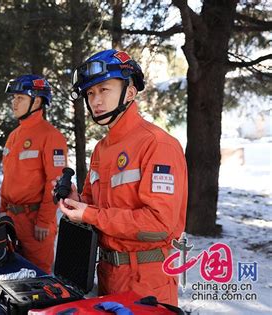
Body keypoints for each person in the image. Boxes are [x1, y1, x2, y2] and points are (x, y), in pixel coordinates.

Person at [59, 49, 188, 306]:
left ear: (129, 92)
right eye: (90, 93)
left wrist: (89, 214)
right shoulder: (102, 149)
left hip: (146, 282)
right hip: (107, 275)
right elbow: (98, 208)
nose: (95, 100)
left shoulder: (157, 144)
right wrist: (78, 201)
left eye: (104, 90)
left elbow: (159, 225)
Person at [0, 75, 68, 274]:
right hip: (12, 220)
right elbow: (8, 177)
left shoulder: (51, 137)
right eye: (13, 98)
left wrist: (44, 220)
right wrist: (3, 210)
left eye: (20, 98)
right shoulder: (14, 136)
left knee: (38, 280)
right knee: (12, 276)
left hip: (35, 223)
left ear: (36, 101)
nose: (14, 102)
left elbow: (55, 182)